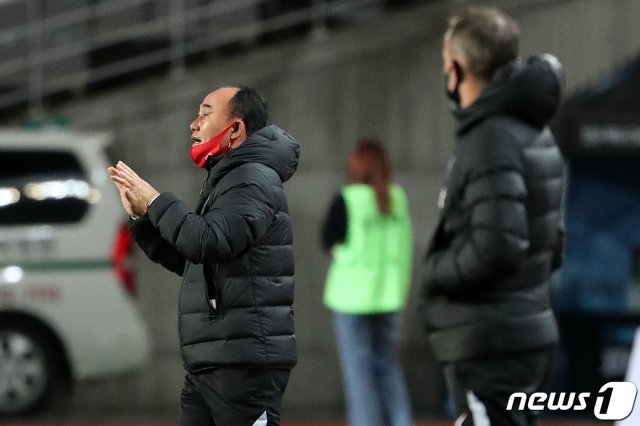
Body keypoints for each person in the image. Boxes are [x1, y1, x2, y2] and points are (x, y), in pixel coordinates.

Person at [108, 86, 300, 426]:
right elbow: (194, 260)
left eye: (206, 114)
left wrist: (155, 201)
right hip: (214, 360)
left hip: (242, 366)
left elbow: (208, 241)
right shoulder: (229, 177)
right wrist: (143, 217)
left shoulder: (253, 177)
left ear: (235, 129)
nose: (194, 124)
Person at [418, 7, 565, 426]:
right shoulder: (531, 129)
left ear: (456, 67)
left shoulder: (489, 138)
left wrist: (433, 273)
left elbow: (498, 245)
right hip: (517, 335)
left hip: (491, 343)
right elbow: (552, 243)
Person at [321, 139, 413, 426]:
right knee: (388, 368)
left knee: (359, 373)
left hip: (352, 298)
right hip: (389, 295)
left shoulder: (348, 199)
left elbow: (327, 240)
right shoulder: (397, 198)